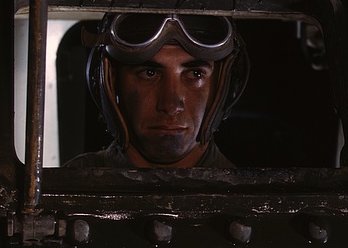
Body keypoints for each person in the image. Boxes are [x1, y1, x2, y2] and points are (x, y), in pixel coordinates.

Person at [64, 13, 249, 168]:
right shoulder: (64, 188)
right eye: (149, 73)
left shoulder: (252, 195)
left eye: (195, 74)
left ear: (223, 85)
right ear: (111, 81)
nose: (170, 106)